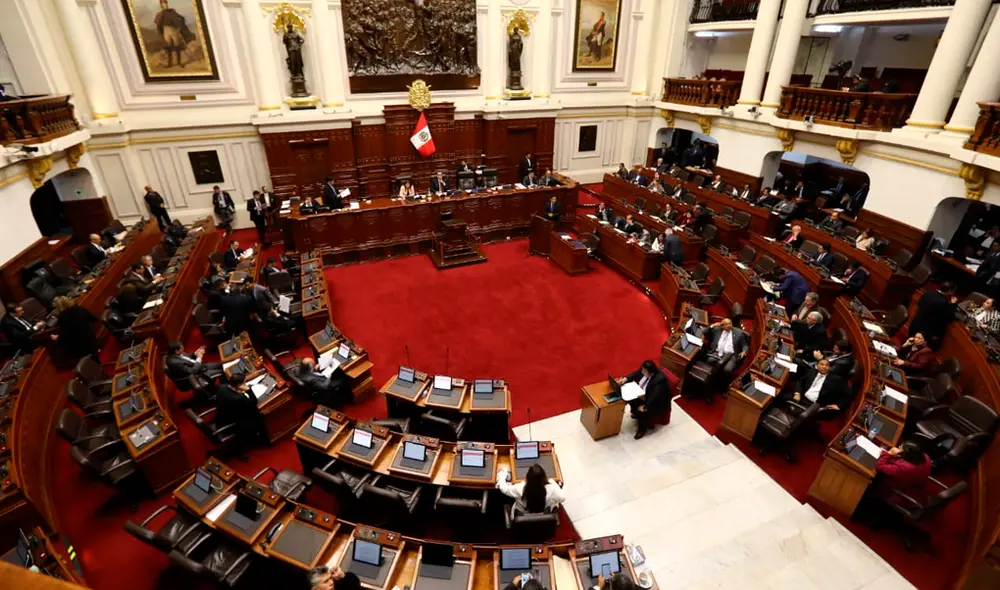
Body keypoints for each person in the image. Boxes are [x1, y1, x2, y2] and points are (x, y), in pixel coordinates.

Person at [616, 360, 672, 439]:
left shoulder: (659, 381)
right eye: (642, 370)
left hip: (656, 403)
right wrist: (625, 379)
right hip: (642, 394)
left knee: (642, 412)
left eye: (644, 371)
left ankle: (642, 430)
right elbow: (636, 373)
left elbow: (654, 397)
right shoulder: (645, 370)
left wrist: (645, 407)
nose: (642, 372)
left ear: (651, 373)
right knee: (628, 396)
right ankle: (634, 411)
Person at [496, 463, 566, 517]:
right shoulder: (551, 488)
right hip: (543, 517)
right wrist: (552, 481)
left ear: (527, 477)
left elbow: (504, 489)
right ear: (544, 477)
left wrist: (501, 475)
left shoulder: (521, 488)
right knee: (555, 502)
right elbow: (562, 498)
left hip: (523, 517)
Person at [215, 372, 262, 442]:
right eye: (244, 383)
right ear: (239, 385)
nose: (245, 384)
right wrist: (249, 390)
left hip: (221, 417)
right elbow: (253, 402)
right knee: (259, 413)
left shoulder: (222, 387)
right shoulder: (238, 398)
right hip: (232, 423)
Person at [909, 282, 958, 348]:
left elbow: (920, 303)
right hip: (924, 332)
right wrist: (953, 304)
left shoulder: (928, 293)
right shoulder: (943, 302)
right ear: (949, 291)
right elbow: (948, 318)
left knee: (908, 342)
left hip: (915, 324)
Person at [51, 296, 99, 360]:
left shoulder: (63, 318)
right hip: (91, 339)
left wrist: (57, 338)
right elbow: (93, 319)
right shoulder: (79, 309)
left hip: (80, 346)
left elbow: (65, 336)